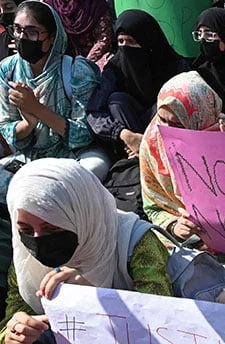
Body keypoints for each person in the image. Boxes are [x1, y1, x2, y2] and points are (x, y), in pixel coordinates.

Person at [0, 158, 173, 344]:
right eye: (26, 231)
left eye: (53, 229)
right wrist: (14, 338)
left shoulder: (133, 243)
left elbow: (165, 328)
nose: (38, 240)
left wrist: (96, 300)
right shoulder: (26, 262)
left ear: (81, 212)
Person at [0, 1, 107, 201]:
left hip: (72, 156)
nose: (22, 37)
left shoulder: (76, 71)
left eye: (32, 32)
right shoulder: (8, 70)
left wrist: (37, 109)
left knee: (93, 169)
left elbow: (84, 134)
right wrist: (28, 123)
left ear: (51, 38)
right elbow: (6, 127)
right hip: (29, 158)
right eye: (18, 30)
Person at [140, 71, 225, 239]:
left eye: (176, 123)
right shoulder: (152, 145)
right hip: (185, 242)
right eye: (162, 119)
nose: (165, 130)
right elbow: (152, 206)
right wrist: (174, 226)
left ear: (200, 117)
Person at [86, 9, 190, 162]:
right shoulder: (116, 67)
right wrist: (125, 135)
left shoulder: (175, 66)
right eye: (121, 42)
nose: (126, 48)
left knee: (168, 103)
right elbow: (94, 111)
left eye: (132, 42)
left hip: (168, 139)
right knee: (117, 100)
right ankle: (137, 153)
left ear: (148, 41)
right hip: (130, 135)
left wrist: (149, 141)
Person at [43, 0, 113, 70]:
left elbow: (103, 39)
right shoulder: (50, 5)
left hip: (93, 61)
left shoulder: (95, 4)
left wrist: (85, 63)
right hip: (60, 61)